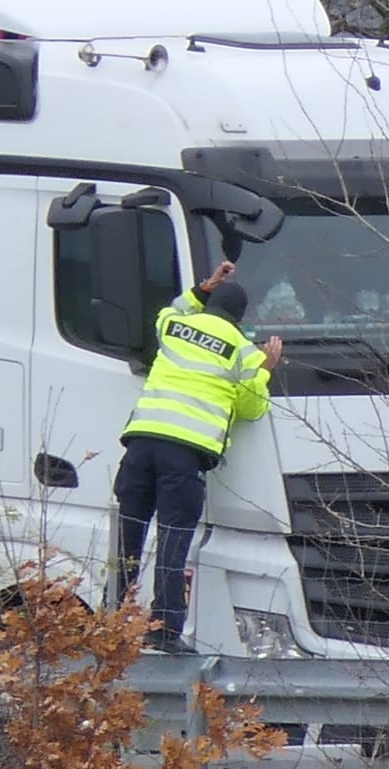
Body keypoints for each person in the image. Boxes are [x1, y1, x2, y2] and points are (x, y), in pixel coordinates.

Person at [112, 260, 283, 653]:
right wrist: (267, 369)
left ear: (210, 302)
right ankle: (164, 629)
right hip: (183, 457)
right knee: (172, 540)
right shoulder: (242, 353)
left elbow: (170, 309)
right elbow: (251, 407)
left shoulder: (173, 326)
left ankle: (115, 623)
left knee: (128, 537)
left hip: (141, 444)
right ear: (239, 317)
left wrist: (202, 287)